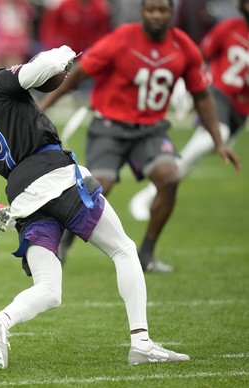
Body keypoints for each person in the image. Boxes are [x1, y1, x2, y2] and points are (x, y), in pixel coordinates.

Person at [0, 24, 190, 370]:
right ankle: (141, 342)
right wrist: (66, 54)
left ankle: (2, 320)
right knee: (123, 249)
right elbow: (39, 69)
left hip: (24, 201)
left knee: (50, 289)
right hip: (57, 179)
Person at [39, 0, 240, 273]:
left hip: (151, 129)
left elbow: (202, 95)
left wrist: (218, 140)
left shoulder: (183, 46)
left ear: (171, 13)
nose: (157, 15)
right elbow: (78, 75)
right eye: (151, 10)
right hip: (110, 126)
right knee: (99, 186)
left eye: (163, 10)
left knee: (169, 178)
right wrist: (42, 109)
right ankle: (64, 243)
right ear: (143, 12)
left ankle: (146, 253)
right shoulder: (121, 39)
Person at [129, 0, 248, 221]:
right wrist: (184, 84)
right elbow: (198, 55)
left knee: (195, 158)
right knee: (214, 138)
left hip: (242, 110)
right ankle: (148, 195)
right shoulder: (229, 28)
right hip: (219, 95)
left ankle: (154, 192)